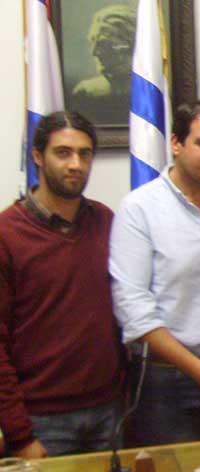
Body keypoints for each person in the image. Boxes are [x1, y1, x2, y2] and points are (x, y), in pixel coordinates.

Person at [110, 100, 200, 446]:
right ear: (176, 143)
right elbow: (133, 309)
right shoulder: (139, 209)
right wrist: (194, 367)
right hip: (169, 381)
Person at [0, 111, 124, 457]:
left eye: (85, 154)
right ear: (38, 156)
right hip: (41, 420)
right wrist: (20, 435)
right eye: (63, 152)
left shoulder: (106, 221)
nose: (76, 164)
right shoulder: (6, 234)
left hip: (108, 411)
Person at [70, 4, 135, 124]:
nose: (95, 52)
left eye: (104, 44)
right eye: (92, 42)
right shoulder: (85, 93)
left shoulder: (149, 93)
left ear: (127, 45)